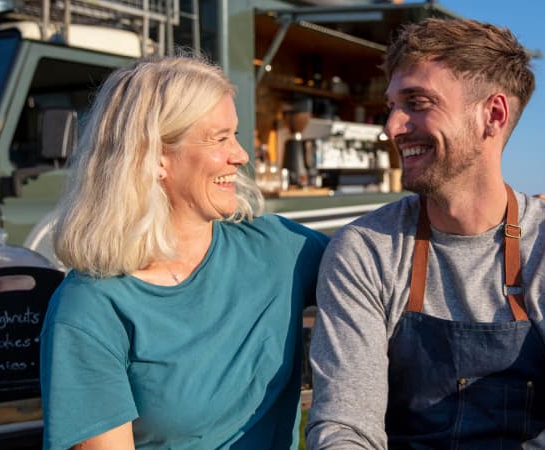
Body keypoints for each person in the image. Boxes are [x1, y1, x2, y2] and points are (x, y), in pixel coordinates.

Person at [306, 18, 545, 450]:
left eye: (417, 102)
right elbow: (345, 429)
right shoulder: (367, 250)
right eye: (392, 105)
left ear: (492, 115)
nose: (392, 126)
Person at [39, 54, 329, 450]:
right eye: (219, 138)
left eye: (236, 135)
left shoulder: (279, 251)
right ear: (154, 156)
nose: (241, 155)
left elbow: (377, 274)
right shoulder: (91, 307)